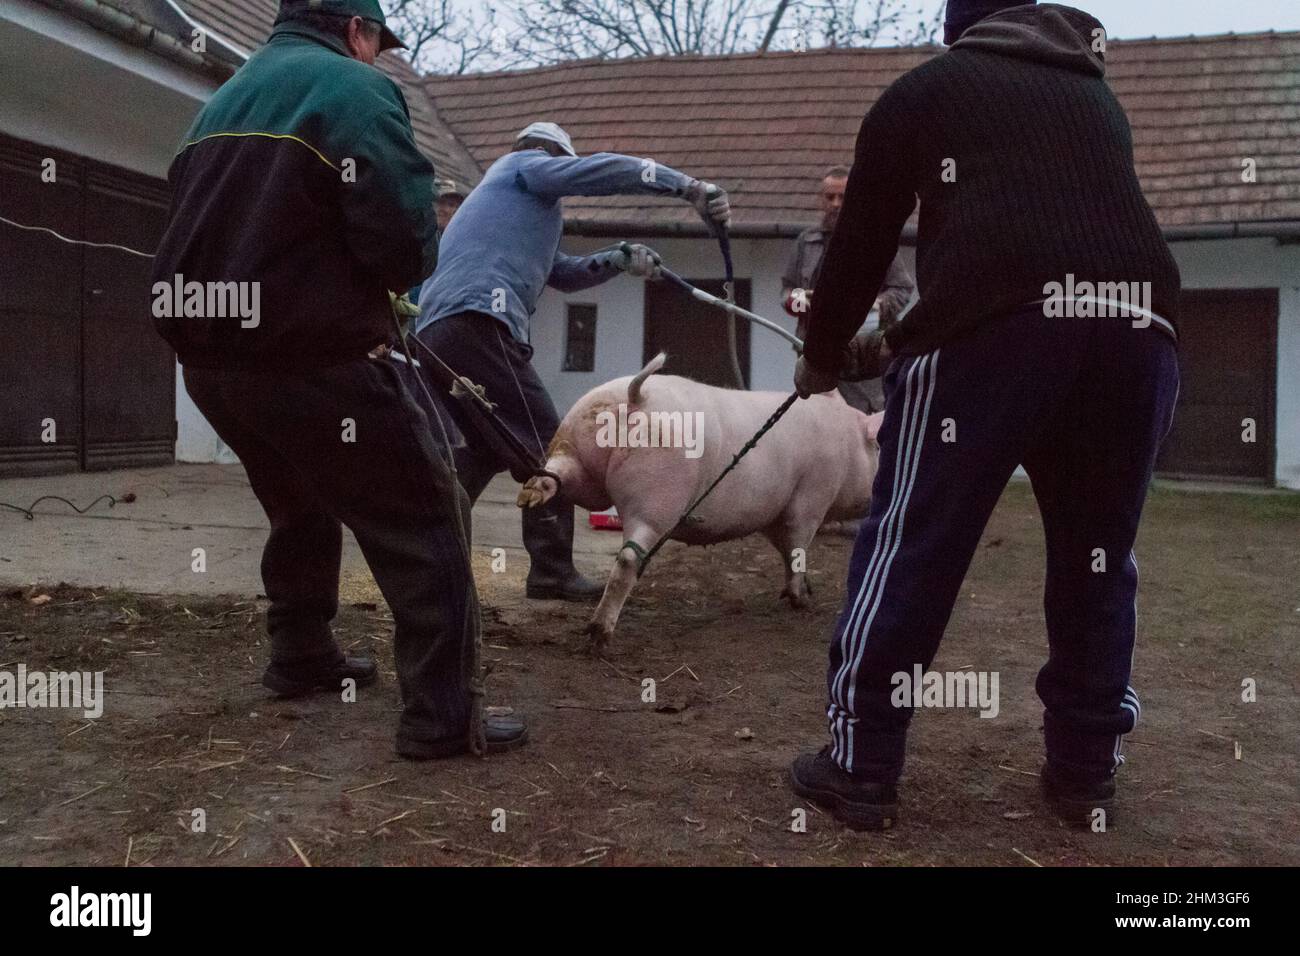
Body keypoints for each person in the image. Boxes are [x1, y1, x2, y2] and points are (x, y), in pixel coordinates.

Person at [789, 0, 1181, 830]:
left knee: (915, 542)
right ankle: (1084, 772)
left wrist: (822, 351)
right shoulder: (1095, 95)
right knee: (1100, 556)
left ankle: (860, 767)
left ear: (954, 26)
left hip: (993, 338)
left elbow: (861, 239)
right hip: (1139, 332)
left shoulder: (927, 91)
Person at [150, 0, 527, 760]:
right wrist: (396, 274)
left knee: (299, 503)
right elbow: (401, 238)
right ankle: (442, 718)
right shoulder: (354, 89)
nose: (379, 59)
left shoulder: (222, 99)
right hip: (314, 360)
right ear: (357, 30)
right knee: (428, 519)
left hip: (214, 370)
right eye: (378, 45)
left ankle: (300, 654)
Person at [412, 121, 731, 601]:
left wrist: (619, 258)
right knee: (550, 448)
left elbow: (562, 272)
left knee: (479, 453)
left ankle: (433, 567)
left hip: (437, 333)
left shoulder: (513, 211)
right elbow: (601, 172)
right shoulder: (522, 168)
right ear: (550, 156)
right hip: (479, 320)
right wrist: (686, 187)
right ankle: (551, 571)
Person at [781, 165, 914, 415]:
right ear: (821, 201)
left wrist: (878, 304)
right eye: (829, 197)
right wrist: (805, 301)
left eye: (842, 197)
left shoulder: (874, 241)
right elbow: (787, 293)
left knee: (863, 426)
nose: (835, 204)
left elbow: (902, 288)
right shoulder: (805, 243)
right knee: (820, 425)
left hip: (862, 357)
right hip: (814, 358)